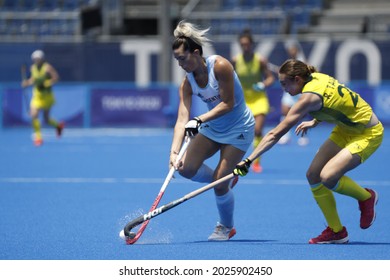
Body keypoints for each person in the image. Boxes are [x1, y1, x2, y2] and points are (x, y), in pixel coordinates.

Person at [234, 59, 383, 244]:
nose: (283, 89)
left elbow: (275, 134)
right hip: (345, 128)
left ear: (297, 79)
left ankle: (367, 197)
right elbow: (337, 101)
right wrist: (315, 121)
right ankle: (337, 231)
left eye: (284, 84)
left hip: (367, 132)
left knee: (327, 177)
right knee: (313, 175)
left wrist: (248, 160)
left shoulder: (307, 99)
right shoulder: (316, 77)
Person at [170, 21, 255, 241]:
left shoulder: (220, 66)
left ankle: (226, 227)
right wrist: (174, 152)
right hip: (213, 128)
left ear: (196, 52)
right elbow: (181, 119)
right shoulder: (187, 83)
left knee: (219, 184)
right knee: (185, 169)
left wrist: (199, 119)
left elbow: (228, 103)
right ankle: (223, 181)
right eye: (176, 60)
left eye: (182, 58)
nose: (180, 64)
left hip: (239, 128)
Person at [232, 29, 275, 173]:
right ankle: (236, 158)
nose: (245, 47)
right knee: (240, 132)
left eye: (247, 44)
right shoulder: (235, 61)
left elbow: (270, 78)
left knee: (257, 131)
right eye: (242, 44)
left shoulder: (261, 60)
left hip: (259, 99)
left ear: (252, 44)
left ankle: (256, 161)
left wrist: (263, 84)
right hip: (243, 101)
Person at [21, 50, 64, 146]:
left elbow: (56, 78)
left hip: (47, 96)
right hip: (37, 96)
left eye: (38, 59)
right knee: (34, 115)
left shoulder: (47, 68)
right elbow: (33, 79)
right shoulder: (33, 68)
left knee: (46, 119)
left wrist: (46, 83)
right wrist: (26, 83)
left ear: (42, 59)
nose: (36, 60)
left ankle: (58, 126)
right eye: (35, 59)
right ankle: (38, 138)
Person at [278, 41, 309, 146]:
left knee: (301, 114)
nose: (291, 51)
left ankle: (303, 136)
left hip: (300, 91)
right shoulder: (288, 62)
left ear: (297, 50)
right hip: (289, 90)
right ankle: (285, 135)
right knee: (284, 111)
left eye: (293, 49)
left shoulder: (303, 62)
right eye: (290, 50)